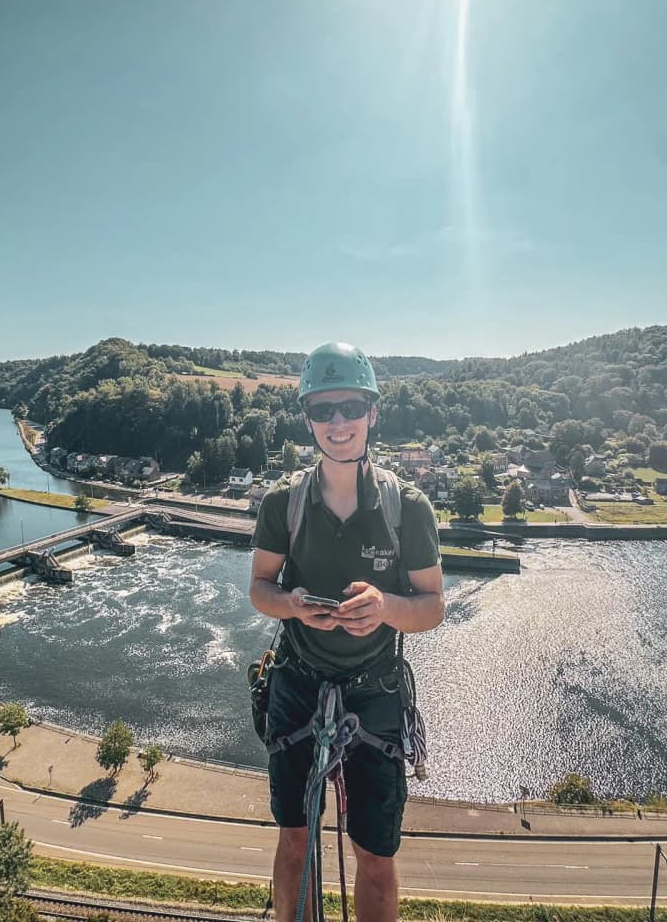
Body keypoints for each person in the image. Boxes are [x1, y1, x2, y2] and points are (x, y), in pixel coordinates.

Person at [250, 342, 444, 922]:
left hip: (374, 689)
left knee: (377, 857)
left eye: (351, 407)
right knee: (293, 840)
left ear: (372, 414)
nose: (338, 423)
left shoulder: (407, 509)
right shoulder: (283, 503)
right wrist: (291, 604)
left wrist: (385, 607)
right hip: (298, 680)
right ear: (308, 418)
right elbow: (260, 589)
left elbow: (433, 606)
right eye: (323, 410)